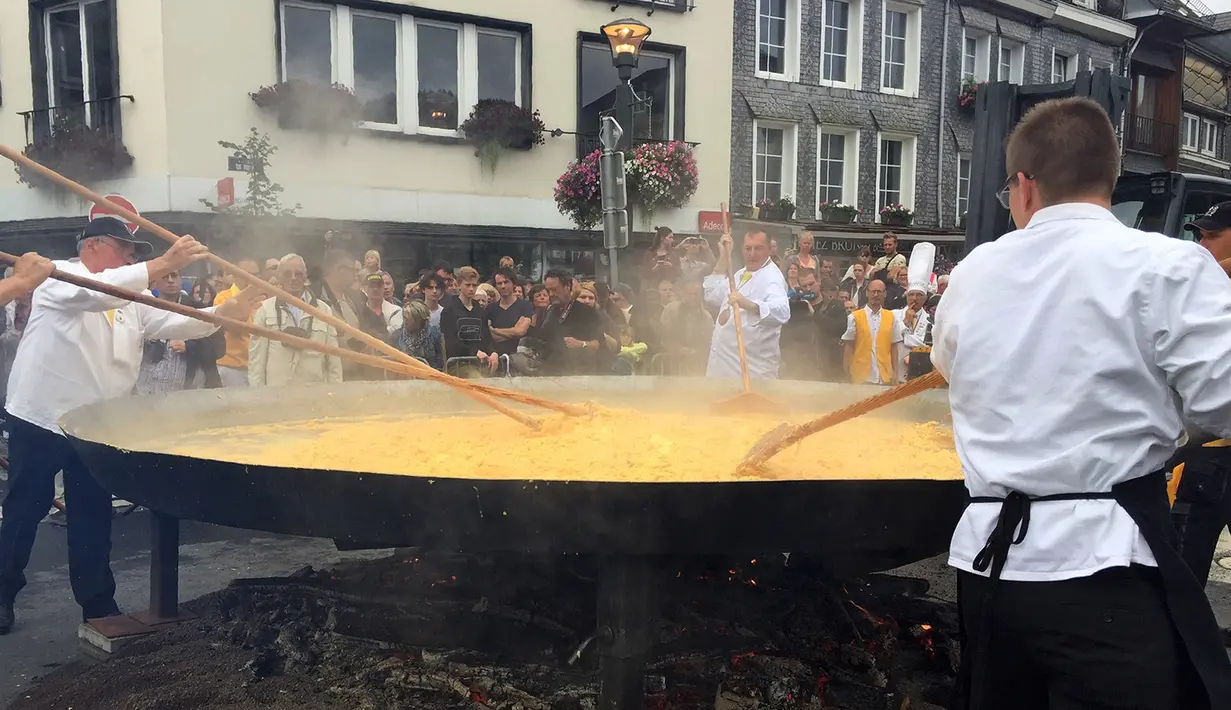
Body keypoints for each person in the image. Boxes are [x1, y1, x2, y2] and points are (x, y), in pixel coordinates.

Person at [932, 97, 1231, 710]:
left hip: (990, 576)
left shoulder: (972, 272)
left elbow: (949, 369)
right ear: (1109, 178)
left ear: (1024, 186)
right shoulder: (1168, 264)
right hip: (1104, 574)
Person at [0, 219, 257, 633]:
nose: (134, 258)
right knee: (23, 512)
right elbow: (95, 294)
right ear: (94, 246)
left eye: (137, 253)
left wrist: (223, 313)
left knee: (93, 516)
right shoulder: (59, 277)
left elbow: (175, 319)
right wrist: (162, 264)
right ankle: (2, 592)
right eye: (127, 249)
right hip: (41, 416)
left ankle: (98, 603)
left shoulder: (130, 296)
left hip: (96, 423)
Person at [1169, 201, 1231, 588]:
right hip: (1207, 454)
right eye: (1199, 236)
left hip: (1214, 447)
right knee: (1182, 573)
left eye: (1213, 236)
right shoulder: (1202, 290)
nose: (1202, 246)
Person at [703, 230, 791, 380]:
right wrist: (724, 256)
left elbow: (782, 312)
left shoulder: (772, 278)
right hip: (721, 369)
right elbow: (711, 293)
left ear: (769, 250)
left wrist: (749, 305)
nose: (752, 254)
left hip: (752, 374)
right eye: (748, 248)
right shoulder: (740, 274)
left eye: (758, 248)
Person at [249, 254, 343, 387]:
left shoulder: (324, 311)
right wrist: (258, 397)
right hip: (276, 396)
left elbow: (333, 361)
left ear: (305, 277)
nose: (293, 278)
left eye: (298, 274)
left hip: (314, 395)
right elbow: (256, 362)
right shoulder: (265, 310)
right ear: (279, 276)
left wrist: (335, 394)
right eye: (287, 274)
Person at [136, 269, 225, 394]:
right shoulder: (143, 308)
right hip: (147, 389)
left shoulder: (199, 310)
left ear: (181, 280)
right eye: (165, 277)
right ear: (155, 282)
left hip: (189, 391)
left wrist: (189, 346)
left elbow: (219, 349)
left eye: (174, 276)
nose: (170, 280)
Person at [539, 270, 606, 375]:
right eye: (548, 290)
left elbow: (600, 344)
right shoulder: (547, 312)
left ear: (568, 287)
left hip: (580, 373)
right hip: (550, 373)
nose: (551, 294)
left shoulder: (587, 312)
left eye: (555, 290)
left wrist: (581, 344)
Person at [841, 280, 903, 385]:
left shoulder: (891, 317)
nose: (875, 295)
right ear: (867, 293)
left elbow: (894, 347)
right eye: (873, 291)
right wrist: (847, 372)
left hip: (884, 377)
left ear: (885, 294)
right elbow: (849, 346)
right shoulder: (855, 317)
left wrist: (896, 373)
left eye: (879, 292)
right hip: (861, 377)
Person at [214, 258, 264, 388]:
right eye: (247, 275)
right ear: (235, 276)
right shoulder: (224, 297)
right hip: (232, 368)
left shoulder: (263, 299)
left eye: (256, 275)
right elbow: (232, 326)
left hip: (257, 367)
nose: (253, 279)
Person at [438, 266, 498, 373]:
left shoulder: (480, 310)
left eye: (474, 285)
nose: (471, 289)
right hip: (458, 364)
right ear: (459, 285)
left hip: (481, 363)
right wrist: (474, 352)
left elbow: (487, 337)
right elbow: (451, 343)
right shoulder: (449, 311)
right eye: (468, 285)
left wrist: (493, 352)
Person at [659, 279, 713, 375]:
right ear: (683, 294)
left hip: (697, 365)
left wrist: (697, 351)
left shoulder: (706, 317)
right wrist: (677, 348)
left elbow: (708, 341)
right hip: (670, 362)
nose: (692, 297)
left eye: (695, 294)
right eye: (689, 294)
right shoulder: (671, 310)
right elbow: (663, 335)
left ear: (700, 296)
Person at [486, 268, 533, 360]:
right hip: (496, 358)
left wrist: (494, 330)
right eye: (499, 283)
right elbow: (490, 336)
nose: (503, 286)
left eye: (506, 282)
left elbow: (520, 331)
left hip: (519, 358)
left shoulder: (525, 306)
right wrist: (513, 332)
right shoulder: (490, 309)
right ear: (495, 286)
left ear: (514, 284)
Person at [391, 300, 443, 371]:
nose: (405, 321)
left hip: (429, 376)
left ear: (419, 319)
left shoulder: (434, 334)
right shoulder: (396, 336)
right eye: (404, 318)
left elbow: (440, 360)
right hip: (403, 377)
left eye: (409, 318)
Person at [360, 272, 402, 336]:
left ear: (383, 288)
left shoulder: (395, 310)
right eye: (372, 286)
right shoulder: (358, 310)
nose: (375, 289)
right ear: (365, 288)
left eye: (379, 286)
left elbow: (396, 330)